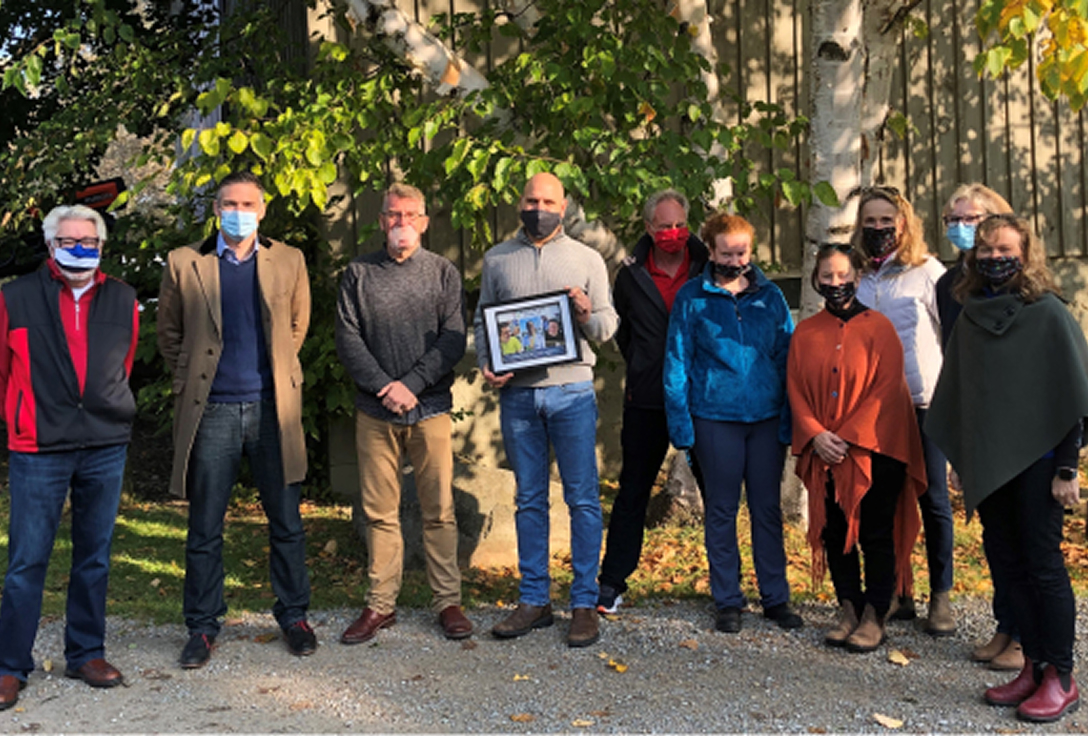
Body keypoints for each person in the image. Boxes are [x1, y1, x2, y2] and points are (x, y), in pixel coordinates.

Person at [927, 214, 1087, 723]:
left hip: (1041, 465)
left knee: (1043, 566)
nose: (995, 258)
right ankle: (1032, 666)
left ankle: (1061, 677)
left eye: (1005, 250)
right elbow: (963, 395)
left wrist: (1068, 469)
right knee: (1007, 565)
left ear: (1025, 253)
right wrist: (961, 459)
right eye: (987, 250)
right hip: (989, 464)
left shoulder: (1048, 313)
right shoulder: (971, 314)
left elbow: (1071, 394)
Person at [157, 171, 316, 668]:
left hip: (273, 409)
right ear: (216, 208)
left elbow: (297, 326)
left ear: (263, 210)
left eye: (248, 204)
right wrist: (192, 376)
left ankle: (294, 616)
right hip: (213, 410)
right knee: (205, 525)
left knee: (286, 520)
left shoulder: (289, 260)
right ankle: (202, 626)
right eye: (230, 203)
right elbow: (169, 334)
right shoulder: (185, 262)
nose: (238, 212)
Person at [0, 205, 139, 709]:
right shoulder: (14, 297)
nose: (79, 248)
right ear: (50, 245)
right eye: (68, 240)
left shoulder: (123, 297)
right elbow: (3, 370)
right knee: (26, 560)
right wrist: (20, 415)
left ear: (101, 246)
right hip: (39, 445)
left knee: (94, 556)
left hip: (104, 443)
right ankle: (9, 665)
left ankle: (85, 653)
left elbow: (123, 363)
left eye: (89, 241)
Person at [476, 172, 618, 648]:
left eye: (549, 202)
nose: (539, 209)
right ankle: (534, 600)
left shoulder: (587, 259)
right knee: (529, 499)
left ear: (564, 207)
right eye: (532, 200)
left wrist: (585, 314)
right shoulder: (498, 259)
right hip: (518, 397)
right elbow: (483, 320)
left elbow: (607, 326)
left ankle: (584, 603)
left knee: (583, 500)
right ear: (520, 202)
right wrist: (487, 363)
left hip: (572, 392)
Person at [335, 182, 471, 644]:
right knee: (379, 512)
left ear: (425, 223)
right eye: (394, 214)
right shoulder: (358, 273)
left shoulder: (443, 273)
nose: (402, 222)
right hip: (374, 410)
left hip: (429, 408)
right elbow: (348, 338)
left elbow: (453, 338)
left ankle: (447, 602)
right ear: (381, 221)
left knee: (440, 510)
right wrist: (384, 386)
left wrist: (411, 385)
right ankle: (380, 605)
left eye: (411, 215)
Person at [663, 212, 802, 634]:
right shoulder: (692, 298)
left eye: (742, 252)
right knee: (721, 510)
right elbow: (677, 362)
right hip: (714, 417)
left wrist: (789, 419)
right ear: (710, 250)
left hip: (765, 418)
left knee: (767, 510)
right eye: (727, 253)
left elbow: (788, 357)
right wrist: (681, 425)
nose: (736, 260)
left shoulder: (770, 296)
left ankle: (775, 597)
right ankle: (728, 598)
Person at [788, 244, 926, 652]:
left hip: (875, 449)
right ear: (816, 280)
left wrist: (848, 436)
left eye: (843, 275)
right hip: (823, 451)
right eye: (827, 276)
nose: (835, 283)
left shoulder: (880, 328)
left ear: (858, 277)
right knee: (834, 531)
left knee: (875, 533)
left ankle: (875, 613)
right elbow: (795, 389)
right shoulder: (805, 332)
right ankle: (848, 607)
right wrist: (816, 434)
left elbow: (888, 389)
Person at [596, 189, 708, 614]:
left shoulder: (708, 266)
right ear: (648, 228)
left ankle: (729, 589)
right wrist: (646, 365)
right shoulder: (629, 276)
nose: (673, 233)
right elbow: (624, 333)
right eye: (664, 226)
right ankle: (611, 583)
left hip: (701, 398)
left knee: (717, 494)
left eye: (680, 225)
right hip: (647, 398)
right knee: (633, 492)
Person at [853, 186, 954, 636]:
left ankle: (941, 596)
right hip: (875, 407)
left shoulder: (928, 272)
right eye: (870, 221)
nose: (878, 228)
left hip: (924, 402)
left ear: (904, 223)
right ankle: (896, 590)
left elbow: (950, 334)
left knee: (933, 500)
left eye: (886, 220)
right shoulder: (857, 277)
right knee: (884, 502)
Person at [934, 184, 1022, 671]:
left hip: (1017, 421)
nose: (962, 227)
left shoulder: (1021, 284)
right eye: (954, 219)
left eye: (972, 218)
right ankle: (1005, 625)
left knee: (1026, 538)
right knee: (996, 535)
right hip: (975, 418)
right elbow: (955, 358)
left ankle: (1027, 636)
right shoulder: (950, 286)